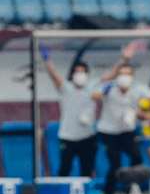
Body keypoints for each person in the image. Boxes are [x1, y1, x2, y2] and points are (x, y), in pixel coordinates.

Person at [43, 43, 139, 177]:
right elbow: (55, 76)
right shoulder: (66, 88)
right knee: (65, 169)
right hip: (67, 137)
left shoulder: (93, 86)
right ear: (72, 75)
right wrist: (47, 61)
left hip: (87, 137)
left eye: (82, 72)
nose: (79, 75)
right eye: (77, 72)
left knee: (87, 170)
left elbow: (112, 74)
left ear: (87, 74)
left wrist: (124, 59)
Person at [94, 61, 150, 194]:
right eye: (122, 74)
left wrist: (140, 113)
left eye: (128, 74)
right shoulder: (109, 88)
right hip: (109, 132)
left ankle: (134, 189)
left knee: (137, 158)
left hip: (127, 131)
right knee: (115, 165)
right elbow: (95, 95)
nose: (125, 77)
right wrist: (105, 84)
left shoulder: (137, 89)